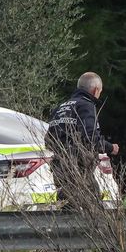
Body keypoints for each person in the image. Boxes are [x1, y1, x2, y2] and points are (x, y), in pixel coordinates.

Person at [47, 72, 118, 212]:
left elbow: (49, 139)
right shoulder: (86, 105)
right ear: (96, 90)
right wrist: (110, 147)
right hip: (79, 167)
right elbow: (90, 136)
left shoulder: (61, 107)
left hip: (59, 167)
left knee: (67, 210)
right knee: (94, 210)